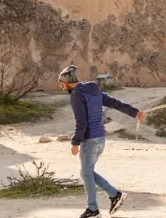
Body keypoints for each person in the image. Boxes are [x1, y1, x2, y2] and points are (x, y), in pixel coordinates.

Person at [59, 65, 145, 218]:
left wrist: (75, 142)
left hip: (89, 140)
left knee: (86, 173)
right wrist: (135, 112)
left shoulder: (76, 95)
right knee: (87, 172)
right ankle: (114, 196)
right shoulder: (94, 90)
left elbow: (82, 122)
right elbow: (115, 103)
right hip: (100, 139)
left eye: (61, 84)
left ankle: (94, 209)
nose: (61, 87)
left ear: (67, 82)